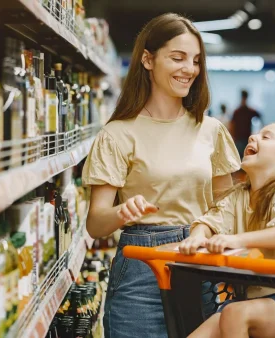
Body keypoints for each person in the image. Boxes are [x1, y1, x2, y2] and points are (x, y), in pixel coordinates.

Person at [81, 13, 241, 338]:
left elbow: (228, 208)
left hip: (202, 263)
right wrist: (120, 212)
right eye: (177, 58)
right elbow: (95, 223)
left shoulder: (211, 131)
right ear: (148, 60)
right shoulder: (118, 134)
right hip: (142, 270)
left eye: (195, 60)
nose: (189, 69)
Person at [179, 123, 275, 338]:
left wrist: (237, 240)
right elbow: (210, 221)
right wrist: (197, 236)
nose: (252, 137)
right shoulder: (237, 196)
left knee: (234, 313)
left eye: (266, 137)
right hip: (253, 301)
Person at [230, 90, 262, 156]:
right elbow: (232, 125)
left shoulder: (239, 111)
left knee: (241, 157)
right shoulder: (240, 111)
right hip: (241, 138)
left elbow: (232, 125)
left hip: (244, 138)